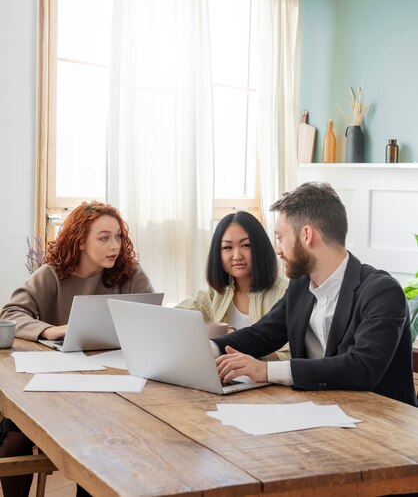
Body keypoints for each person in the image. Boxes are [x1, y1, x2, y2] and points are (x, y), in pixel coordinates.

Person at [212, 182, 417, 408]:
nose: (277, 249)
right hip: (318, 413)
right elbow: (262, 334)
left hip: (382, 425)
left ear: (307, 234)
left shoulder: (382, 292)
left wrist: (266, 370)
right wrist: (210, 349)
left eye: (280, 237)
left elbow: (361, 367)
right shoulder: (301, 286)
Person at [0, 201, 153, 497]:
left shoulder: (131, 274)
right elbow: (10, 313)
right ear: (81, 241)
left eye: (119, 237)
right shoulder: (52, 275)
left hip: (111, 388)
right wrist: (49, 330)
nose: (115, 246)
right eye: (104, 237)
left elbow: (152, 319)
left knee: (102, 444)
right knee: (13, 441)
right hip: (53, 388)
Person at [176, 210, 289, 359]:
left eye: (246, 245)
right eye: (227, 247)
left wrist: (247, 360)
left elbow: (291, 353)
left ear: (261, 248)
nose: (237, 256)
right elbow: (177, 318)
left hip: (266, 379)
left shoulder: (285, 293)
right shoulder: (215, 292)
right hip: (224, 377)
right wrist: (214, 332)